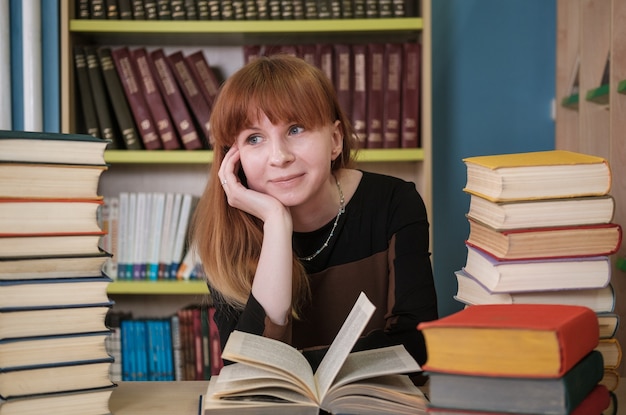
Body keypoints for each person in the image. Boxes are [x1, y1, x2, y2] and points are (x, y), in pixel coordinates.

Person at [191, 54, 438, 375]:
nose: (279, 157)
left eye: (296, 129)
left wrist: (297, 367)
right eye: (254, 138)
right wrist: (276, 222)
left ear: (335, 140)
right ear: (233, 159)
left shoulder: (394, 202)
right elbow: (245, 370)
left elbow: (414, 346)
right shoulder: (226, 234)